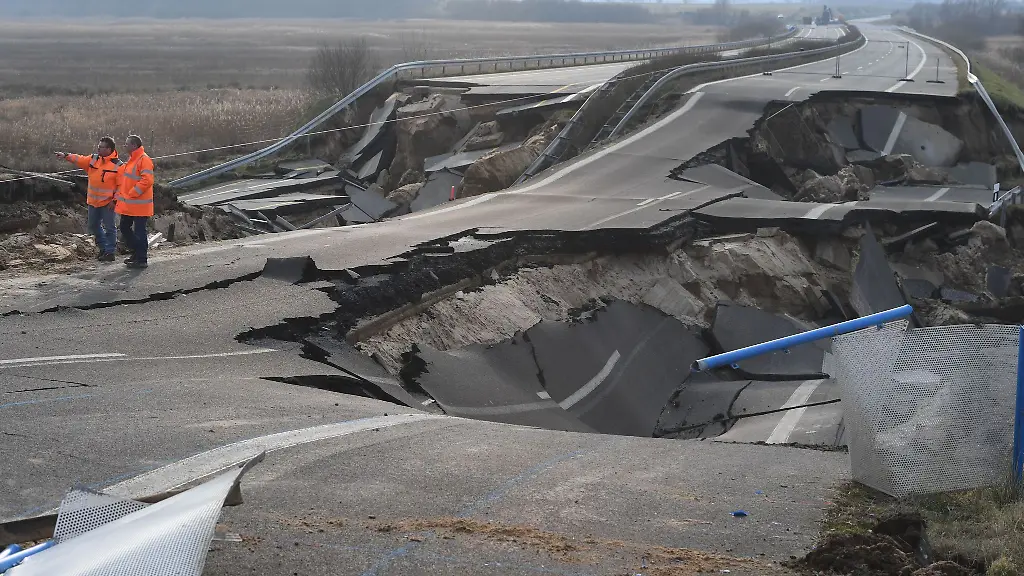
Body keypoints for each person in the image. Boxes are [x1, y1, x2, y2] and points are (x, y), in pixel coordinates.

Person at [55, 137, 122, 261]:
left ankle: (110, 252)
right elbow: (79, 159)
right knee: (93, 225)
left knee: (110, 227)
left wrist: (114, 201)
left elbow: (121, 186)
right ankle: (103, 248)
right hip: (93, 202)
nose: (98, 148)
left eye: (101, 147)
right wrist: (65, 155)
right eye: (99, 146)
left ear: (109, 149)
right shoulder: (94, 159)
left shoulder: (118, 166)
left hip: (108, 203)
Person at [115, 134, 155, 269]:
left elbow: (147, 180)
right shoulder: (132, 159)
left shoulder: (144, 160)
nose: (124, 146)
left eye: (127, 144)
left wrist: (133, 193)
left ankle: (141, 258)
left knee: (139, 231)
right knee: (125, 228)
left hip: (140, 205)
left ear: (134, 145)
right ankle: (136, 253)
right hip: (130, 204)